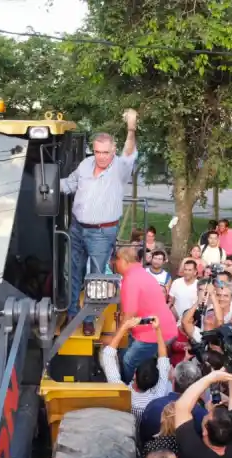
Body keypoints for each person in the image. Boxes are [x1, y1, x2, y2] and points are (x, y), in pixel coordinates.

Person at [60, 110, 139, 336]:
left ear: (112, 151)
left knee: (97, 277)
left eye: (105, 152)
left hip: (102, 233)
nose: (101, 157)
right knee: (73, 272)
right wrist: (47, 185)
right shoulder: (85, 165)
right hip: (77, 229)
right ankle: (73, 314)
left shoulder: (120, 168)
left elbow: (129, 151)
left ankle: (89, 318)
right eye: (97, 152)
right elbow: (69, 184)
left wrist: (131, 129)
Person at [115, 246, 177, 383]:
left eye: (116, 260)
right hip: (158, 327)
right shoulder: (140, 273)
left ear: (124, 261)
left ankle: (128, 391)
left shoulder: (131, 279)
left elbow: (129, 314)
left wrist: (116, 336)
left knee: (128, 361)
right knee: (127, 352)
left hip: (154, 332)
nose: (115, 264)